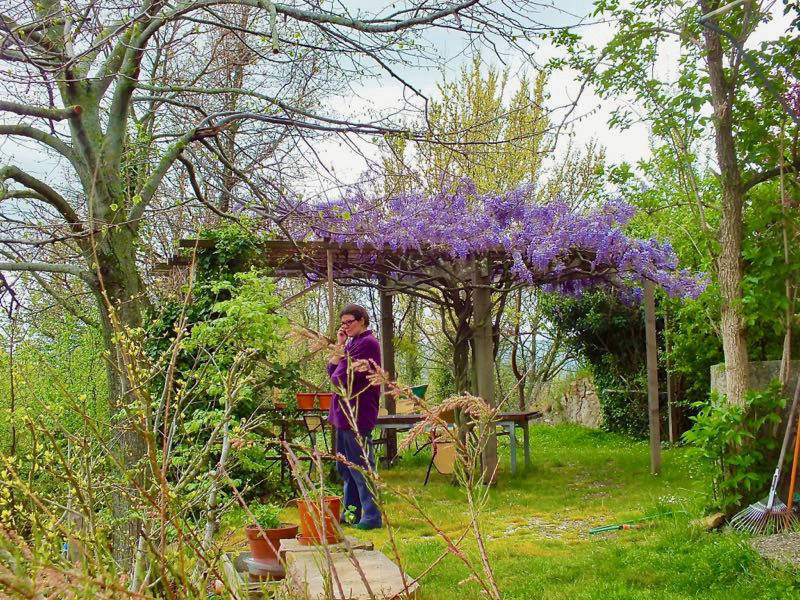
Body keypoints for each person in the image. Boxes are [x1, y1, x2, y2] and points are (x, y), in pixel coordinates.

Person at [326, 304, 383, 530]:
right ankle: (351, 513)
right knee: (347, 468)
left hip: (357, 414)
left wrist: (340, 361)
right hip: (344, 414)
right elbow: (331, 371)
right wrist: (340, 346)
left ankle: (372, 516)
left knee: (361, 466)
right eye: (343, 323)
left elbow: (338, 378)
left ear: (362, 321)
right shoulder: (352, 343)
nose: (345, 327)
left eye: (349, 322)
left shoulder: (367, 343)